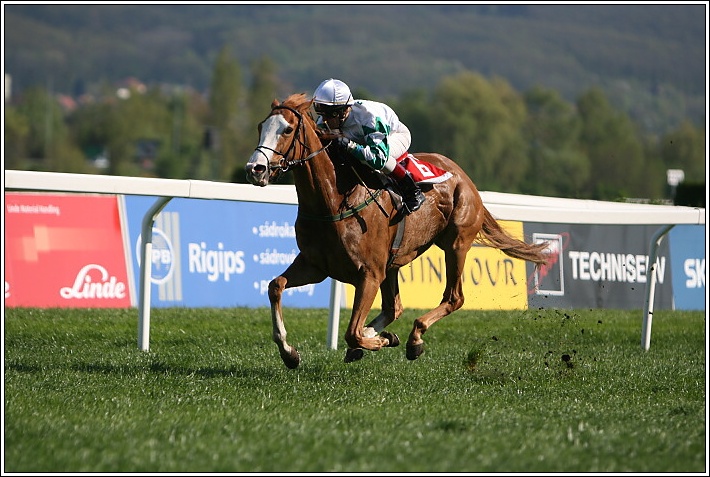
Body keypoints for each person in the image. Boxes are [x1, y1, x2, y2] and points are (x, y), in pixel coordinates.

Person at [311, 78, 425, 215]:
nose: (324, 120)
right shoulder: (324, 121)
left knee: (376, 160)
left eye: (329, 115)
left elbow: (378, 158)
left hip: (395, 135)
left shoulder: (369, 118)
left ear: (343, 110)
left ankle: (413, 191)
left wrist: (350, 145)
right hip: (364, 140)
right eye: (322, 114)